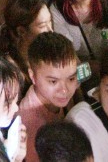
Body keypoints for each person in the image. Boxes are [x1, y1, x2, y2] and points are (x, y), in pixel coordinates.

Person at [18, 32, 79, 162]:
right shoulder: (30, 124)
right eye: (53, 81)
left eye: (71, 78)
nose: (64, 90)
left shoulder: (56, 99)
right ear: (32, 76)